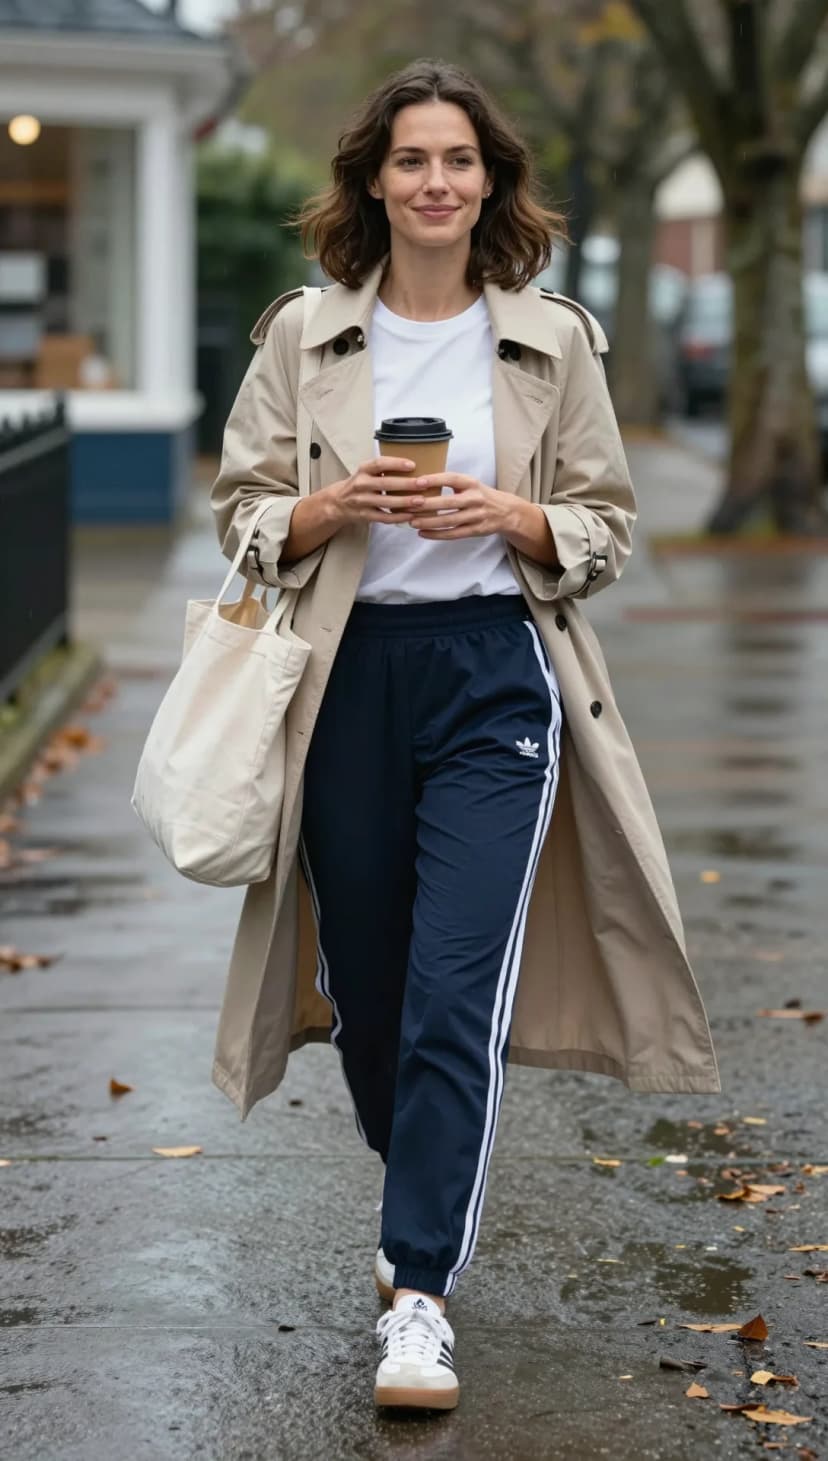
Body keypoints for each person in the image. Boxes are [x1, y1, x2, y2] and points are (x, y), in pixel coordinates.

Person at [210, 58, 720, 1413]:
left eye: (460, 161)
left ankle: (420, 1291)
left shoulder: (552, 339)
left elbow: (605, 523)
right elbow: (244, 507)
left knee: (452, 991)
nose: (437, 182)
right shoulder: (302, 334)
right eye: (412, 160)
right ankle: (420, 1179)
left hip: (496, 678)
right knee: (372, 995)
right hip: (344, 682)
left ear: (490, 181)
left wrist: (515, 518)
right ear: (374, 181)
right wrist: (335, 510)